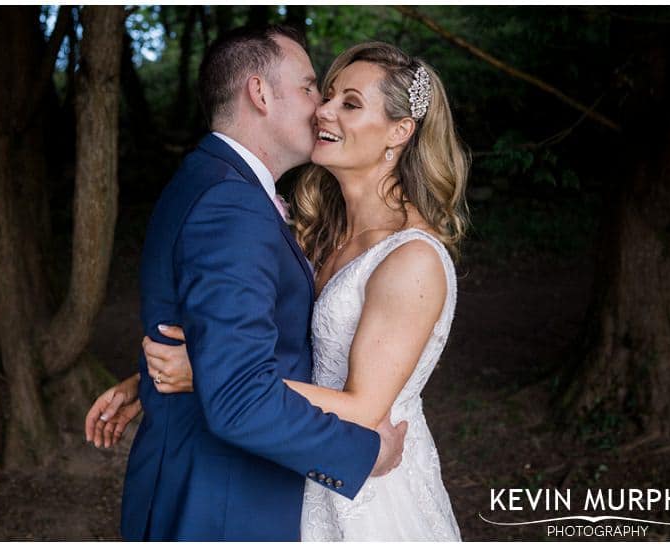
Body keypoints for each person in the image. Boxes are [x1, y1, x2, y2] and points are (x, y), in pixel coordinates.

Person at [89, 40, 469, 540]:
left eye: (348, 103)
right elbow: (272, 340)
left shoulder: (412, 259)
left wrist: (204, 373)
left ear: (399, 131)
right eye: (323, 92)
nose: (324, 111)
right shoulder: (318, 235)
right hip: (300, 466)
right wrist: (153, 377)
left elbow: (362, 406)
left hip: (369, 482)